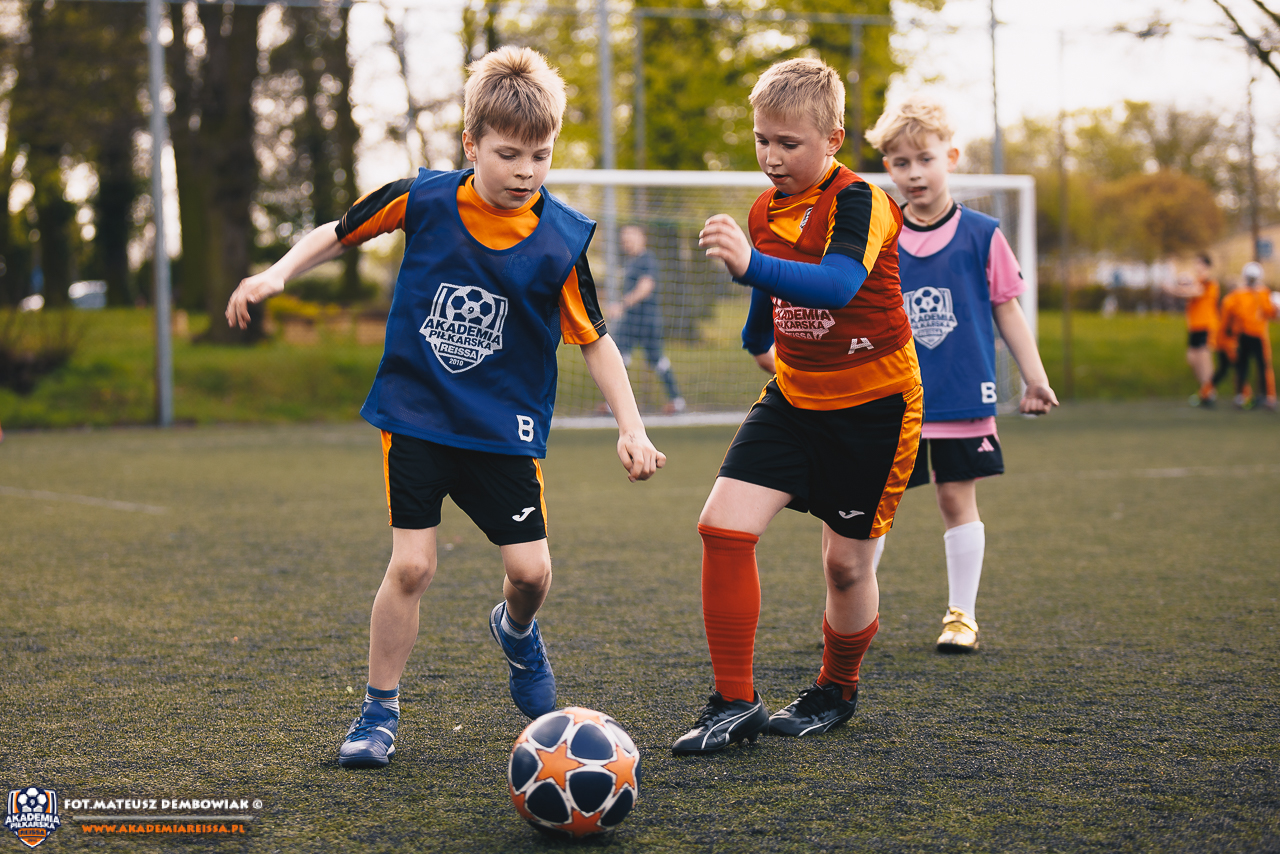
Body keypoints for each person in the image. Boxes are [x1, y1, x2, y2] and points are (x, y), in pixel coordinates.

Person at [225, 46, 665, 770]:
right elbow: (339, 231)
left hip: (504, 428)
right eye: (508, 155)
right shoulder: (423, 198)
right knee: (412, 567)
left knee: (531, 574)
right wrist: (276, 274)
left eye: (540, 156)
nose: (525, 172)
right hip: (418, 413)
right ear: (471, 144)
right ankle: (378, 712)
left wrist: (632, 426)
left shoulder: (560, 239)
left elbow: (596, 339)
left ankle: (515, 632)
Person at [671, 57, 922, 754]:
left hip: (876, 407)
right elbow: (767, 302)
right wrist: (760, 340)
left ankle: (836, 690)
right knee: (722, 528)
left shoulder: (863, 202)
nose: (772, 157)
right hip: (793, 398)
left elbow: (838, 284)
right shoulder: (764, 210)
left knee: (846, 567)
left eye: (790, 143)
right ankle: (734, 703)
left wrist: (749, 264)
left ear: (833, 140)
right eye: (762, 140)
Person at [865, 96, 1058, 653]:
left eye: (925, 159)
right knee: (872, 509)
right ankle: (851, 612)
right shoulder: (880, 233)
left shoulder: (982, 233)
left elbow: (1007, 309)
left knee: (955, 500)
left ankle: (961, 617)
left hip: (961, 395)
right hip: (891, 398)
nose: (914, 173)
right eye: (901, 163)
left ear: (950, 158)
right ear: (888, 168)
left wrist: (1035, 377)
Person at [609, 225, 686, 414]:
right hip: (631, 321)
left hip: (646, 321)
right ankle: (614, 405)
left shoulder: (647, 260)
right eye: (624, 238)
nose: (626, 241)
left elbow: (646, 287)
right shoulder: (630, 262)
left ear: (642, 237)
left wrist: (622, 305)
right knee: (619, 357)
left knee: (657, 360)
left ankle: (676, 401)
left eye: (630, 236)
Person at [1163, 253, 1220, 407]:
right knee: (1192, 359)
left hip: (1206, 326)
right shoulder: (1197, 282)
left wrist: (1172, 289)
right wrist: (1178, 286)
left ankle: (1209, 393)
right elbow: (1188, 291)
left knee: (1204, 360)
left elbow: (1194, 292)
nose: (1196, 267)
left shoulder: (1209, 282)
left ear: (1207, 266)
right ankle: (1205, 390)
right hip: (1194, 327)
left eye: (1199, 263)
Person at [1222, 261, 1277, 410]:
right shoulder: (1244, 293)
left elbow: (1269, 311)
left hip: (1254, 334)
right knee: (1246, 366)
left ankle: (1266, 396)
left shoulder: (1260, 293)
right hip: (1247, 334)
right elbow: (1231, 311)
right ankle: (1247, 396)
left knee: (1259, 366)